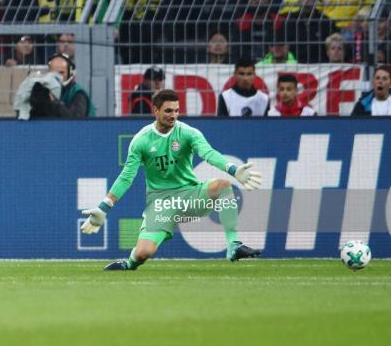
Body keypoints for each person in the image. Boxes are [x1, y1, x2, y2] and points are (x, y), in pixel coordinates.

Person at [80, 89, 263, 270]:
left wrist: (232, 169)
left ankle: (233, 245)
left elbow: (208, 153)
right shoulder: (141, 141)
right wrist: (104, 207)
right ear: (156, 111)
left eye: (176, 110)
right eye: (168, 111)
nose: (174, 115)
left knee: (222, 186)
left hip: (190, 196)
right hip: (160, 203)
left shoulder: (188, 133)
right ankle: (129, 264)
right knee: (144, 253)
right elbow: (126, 177)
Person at [29, 53, 95, 117]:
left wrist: (53, 103)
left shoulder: (78, 93)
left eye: (61, 72)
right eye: (53, 73)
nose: (57, 76)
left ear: (70, 73)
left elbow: (75, 120)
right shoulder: (44, 91)